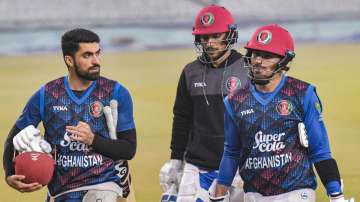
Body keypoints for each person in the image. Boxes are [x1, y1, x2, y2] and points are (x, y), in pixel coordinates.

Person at [210, 24, 355, 202]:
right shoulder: (234, 101)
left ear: (284, 60)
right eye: (255, 54)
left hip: (296, 193)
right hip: (253, 196)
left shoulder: (303, 93)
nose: (258, 61)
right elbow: (232, 152)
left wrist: (336, 195)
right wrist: (219, 193)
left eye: (267, 56)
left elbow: (320, 150)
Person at [3, 28, 137, 202]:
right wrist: (10, 175)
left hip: (104, 187)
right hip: (60, 193)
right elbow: (12, 139)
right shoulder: (46, 95)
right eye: (87, 55)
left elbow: (129, 149)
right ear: (69, 60)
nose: (96, 61)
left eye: (98, 53)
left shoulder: (116, 93)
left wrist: (93, 140)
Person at [160, 4, 249, 202]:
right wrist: (175, 159)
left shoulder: (248, 69)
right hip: (197, 166)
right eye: (204, 37)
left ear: (229, 34)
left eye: (216, 35)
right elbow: (182, 118)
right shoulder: (190, 72)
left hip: (240, 167)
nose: (210, 42)